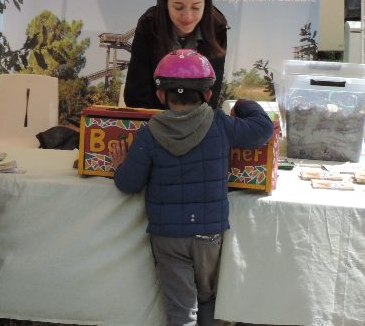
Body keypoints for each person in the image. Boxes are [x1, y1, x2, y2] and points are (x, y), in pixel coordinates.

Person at [111, 49, 274, 326]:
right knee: (208, 299)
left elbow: (129, 184)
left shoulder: (148, 134)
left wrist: (120, 165)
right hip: (209, 235)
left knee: (181, 309)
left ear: (161, 95)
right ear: (208, 94)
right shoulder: (221, 124)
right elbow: (263, 129)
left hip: (169, 237)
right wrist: (243, 103)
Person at [124, 0, 228, 110]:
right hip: (154, 120)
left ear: (206, 3)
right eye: (178, 7)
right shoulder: (149, 26)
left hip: (197, 124)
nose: (188, 16)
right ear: (165, 3)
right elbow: (137, 93)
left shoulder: (216, 28)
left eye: (196, 7)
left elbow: (212, 92)